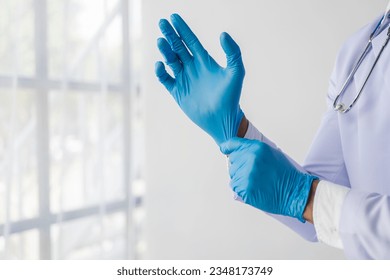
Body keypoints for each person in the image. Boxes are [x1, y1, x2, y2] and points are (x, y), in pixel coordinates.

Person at [154, 3, 390, 260]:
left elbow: (317, 200)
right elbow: (319, 208)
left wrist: (306, 197)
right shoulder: (358, 52)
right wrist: (234, 130)